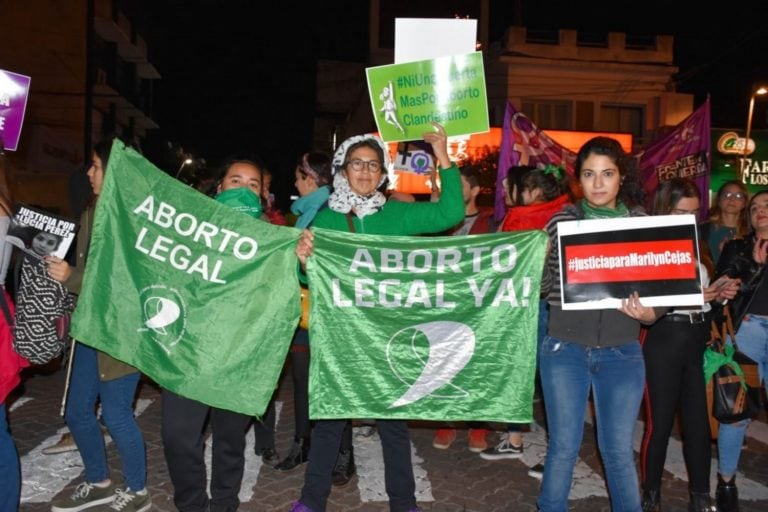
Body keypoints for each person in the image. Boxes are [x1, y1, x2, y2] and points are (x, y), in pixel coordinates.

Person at [290, 122, 463, 512]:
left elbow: (451, 212)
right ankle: (311, 500)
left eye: (373, 165)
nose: (365, 172)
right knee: (330, 424)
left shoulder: (398, 216)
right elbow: (308, 276)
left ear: (383, 174)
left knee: (393, 427)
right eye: (357, 164)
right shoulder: (326, 221)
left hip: (388, 335)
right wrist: (302, 261)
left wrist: (444, 157)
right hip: (341, 338)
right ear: (342, 170)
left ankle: (404, 503)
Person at [537, 136, 665, 512]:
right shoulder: (561, 221)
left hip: (622, 352)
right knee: (562, 448)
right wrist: (544, 262)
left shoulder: (642, 224)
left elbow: (662, 287)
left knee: (617, 452)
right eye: (589, 174)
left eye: (607, 174)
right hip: (564, 348)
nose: (598, 183)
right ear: (579, 179)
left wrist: (651, 314)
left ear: (621, 177)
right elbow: (544, 289)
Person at [47, 138, 151, 512]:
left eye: (95, 165)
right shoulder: (93, 210)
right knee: (76, 411)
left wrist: (71, 276)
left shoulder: (134, 218)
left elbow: (121, 279)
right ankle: (98, 481)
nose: (89, 173)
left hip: (121, 331)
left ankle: (137, 490)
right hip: (90, 326)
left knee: (116, 413)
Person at [161, 156, 264, 512]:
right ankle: (191, 504)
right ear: (219, 187)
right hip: (188, 353)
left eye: (254, 185)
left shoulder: (273, 243)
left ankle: (224, 504)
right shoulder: (188, 231)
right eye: (236, 181)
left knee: (229, 442)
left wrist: (301, 259)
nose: (245, 189)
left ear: (263, 196)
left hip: (240, 358)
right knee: (178, 437)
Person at [640, 178, 737, 512]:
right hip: (664, 337)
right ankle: (651, 496)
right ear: (665, 208)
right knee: (660, 423)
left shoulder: (697, 241)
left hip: (696, 337)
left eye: (695, 213)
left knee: (697, 424)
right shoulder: (649, 245)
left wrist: (717, 297)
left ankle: (701, 497)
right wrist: (697, 295)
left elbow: (703, 301)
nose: (689, 218)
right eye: (682, 211)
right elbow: (650, 300)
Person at [482, 165, 572, 478]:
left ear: (532, 192)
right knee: (522, 375)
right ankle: (515, 438)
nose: (505, 193)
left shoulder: (543, 220)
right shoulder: (528, 217)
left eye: (511, 187)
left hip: (541, 310)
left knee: (547, 382)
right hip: (528, 308)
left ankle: (557, 456)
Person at [710, 189, 768, 512]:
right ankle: (726, 481)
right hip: (746, 333)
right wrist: (753, 269)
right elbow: (719, 294)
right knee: (736, 411)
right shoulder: (737, 247)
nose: (760, 211)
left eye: (767, 206)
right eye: (756, 207)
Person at [432, 165, 492, 453]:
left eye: (459, 185)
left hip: (478, 308)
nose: (452, 191)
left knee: (477, 367)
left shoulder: (491, 222)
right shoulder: (442, 222)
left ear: (476, 191)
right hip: (445, 305)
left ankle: (477, 427)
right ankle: (447, 423)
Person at [699, 180, 750, 264]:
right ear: (719, 200)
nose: (732, 199)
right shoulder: (703, 229)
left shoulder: (751, 232)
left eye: (738, 196)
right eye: (727, 194)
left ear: (744, 203)